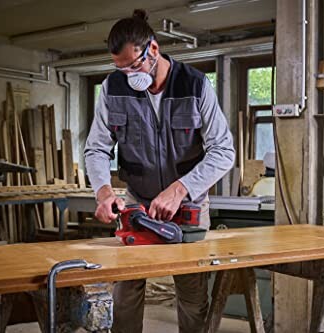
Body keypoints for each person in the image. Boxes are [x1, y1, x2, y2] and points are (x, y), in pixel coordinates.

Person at [84, 9, 235, 333]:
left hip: (190, 206)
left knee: (193, 296)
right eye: (120, 68)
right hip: (137, 202)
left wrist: (181, 189)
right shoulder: (113, 88)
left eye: (133, 65)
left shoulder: (195, 85)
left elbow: (224, 151)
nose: (128, 75)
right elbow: (96, 148)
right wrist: (103, 191)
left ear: (153, 49)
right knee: (125, 292)